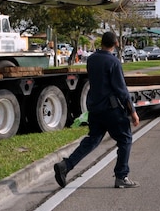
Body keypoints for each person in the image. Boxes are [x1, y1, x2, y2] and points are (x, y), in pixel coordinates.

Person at [53, 31, 141, 189]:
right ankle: (121, 176)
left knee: (92, 140)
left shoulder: (92, 59)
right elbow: (121, 90)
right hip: (112, 109)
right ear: (115, 44)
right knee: (125, 139)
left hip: (95, 108)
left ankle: (66, 166)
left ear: (102, 43)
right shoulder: (113, 61)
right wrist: (132, 111)